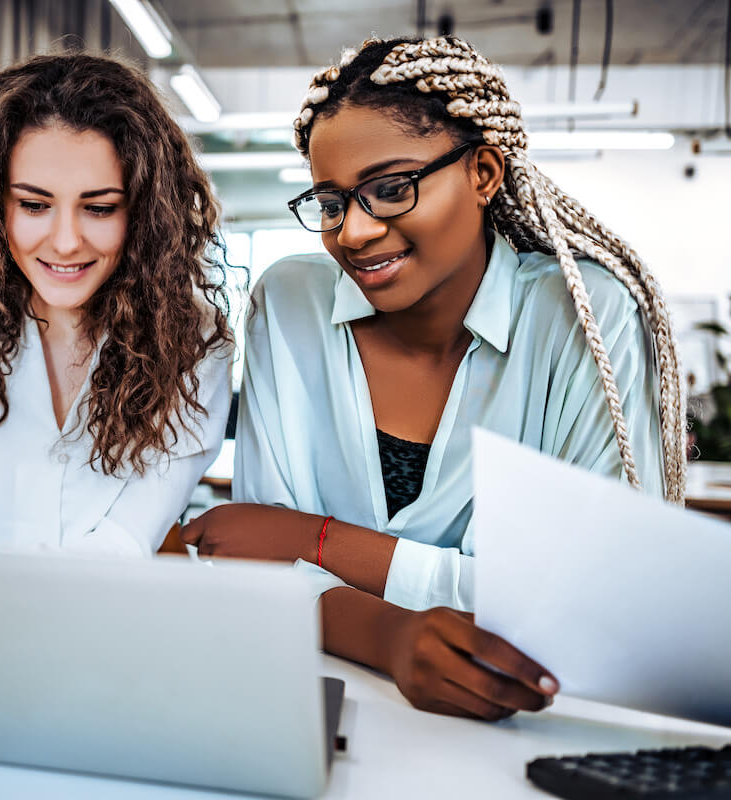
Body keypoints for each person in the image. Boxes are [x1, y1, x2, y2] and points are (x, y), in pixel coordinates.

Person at [182, 35, 685, 720]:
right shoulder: (290, 304)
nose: (353, 232)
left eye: (390, 190)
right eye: (331, 203)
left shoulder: (582, 316)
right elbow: (257, 564)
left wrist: (319, 540)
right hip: (310, 705)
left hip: (527, 728)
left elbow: (596, 608)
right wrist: (392, 636)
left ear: (483, 173)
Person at [0, 52, 234, 557]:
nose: (64, 242)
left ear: (143, 213)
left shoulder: (194, 341)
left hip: (102, 622)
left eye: (99, 208)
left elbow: (124, 540)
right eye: (34, 205)